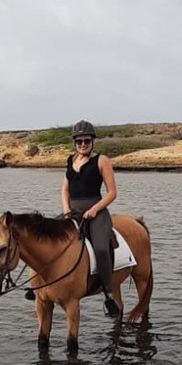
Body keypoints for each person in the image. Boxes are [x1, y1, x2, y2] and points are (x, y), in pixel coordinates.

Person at [61, 120, 121, 317]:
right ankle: (40, 287)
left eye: (87, 141)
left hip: (96, 212)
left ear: (92, 141)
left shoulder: (101, 161)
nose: (83, 145)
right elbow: (65, 190)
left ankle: (108, 293)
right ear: (75, 143)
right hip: (74, 211)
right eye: (79, 142)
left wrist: (95, 210)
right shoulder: (71, 161)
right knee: (47, 236)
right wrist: (66, 210)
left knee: (102, 248)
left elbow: (112, 193)